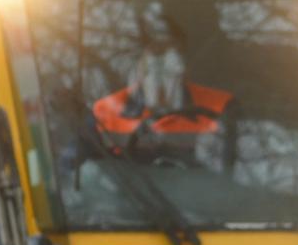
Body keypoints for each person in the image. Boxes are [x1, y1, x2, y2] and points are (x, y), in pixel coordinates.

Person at [91, 9, 231, 167]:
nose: (161, 65)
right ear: (141, 63)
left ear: (183, 64)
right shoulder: (105, 113)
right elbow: (77, 173)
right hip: (130, 190)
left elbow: (229, 173)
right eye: (155, 52)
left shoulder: (219, 108)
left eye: (172, 53)